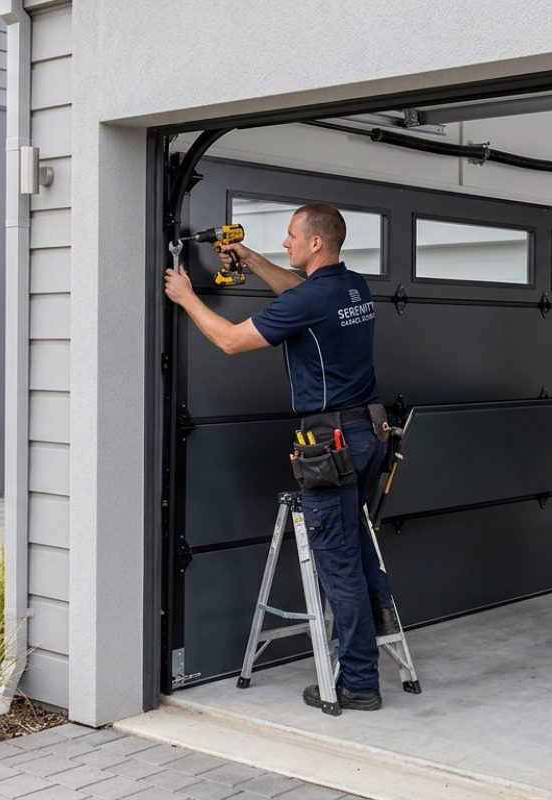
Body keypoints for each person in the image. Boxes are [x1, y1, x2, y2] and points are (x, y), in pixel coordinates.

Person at [163, 203, 397, 709]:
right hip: (368, 434)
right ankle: (376, 623)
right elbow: (299, 293)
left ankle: (358, 682)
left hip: (331, 444)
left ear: (316, 243)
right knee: (356, 542)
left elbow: (229, 341)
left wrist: (186, 298)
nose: (285, 243)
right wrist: (248, 257)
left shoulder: (314, 297)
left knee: (337, 566)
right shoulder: (351, 286)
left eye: (291, 236)